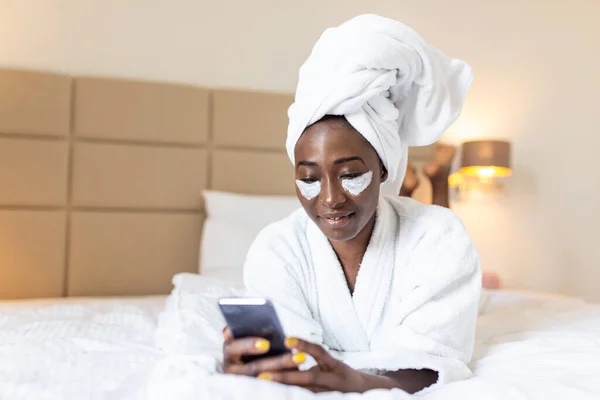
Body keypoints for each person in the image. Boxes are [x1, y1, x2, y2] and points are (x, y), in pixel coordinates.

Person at [221, 14, 481, 395]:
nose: (329, 199)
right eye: (309, 178)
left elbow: (434, 362)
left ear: (382, 169)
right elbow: (292, 361)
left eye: (350, 174)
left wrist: (358, 382)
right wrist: (256, 363)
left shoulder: (437, 236)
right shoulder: (277, 248)